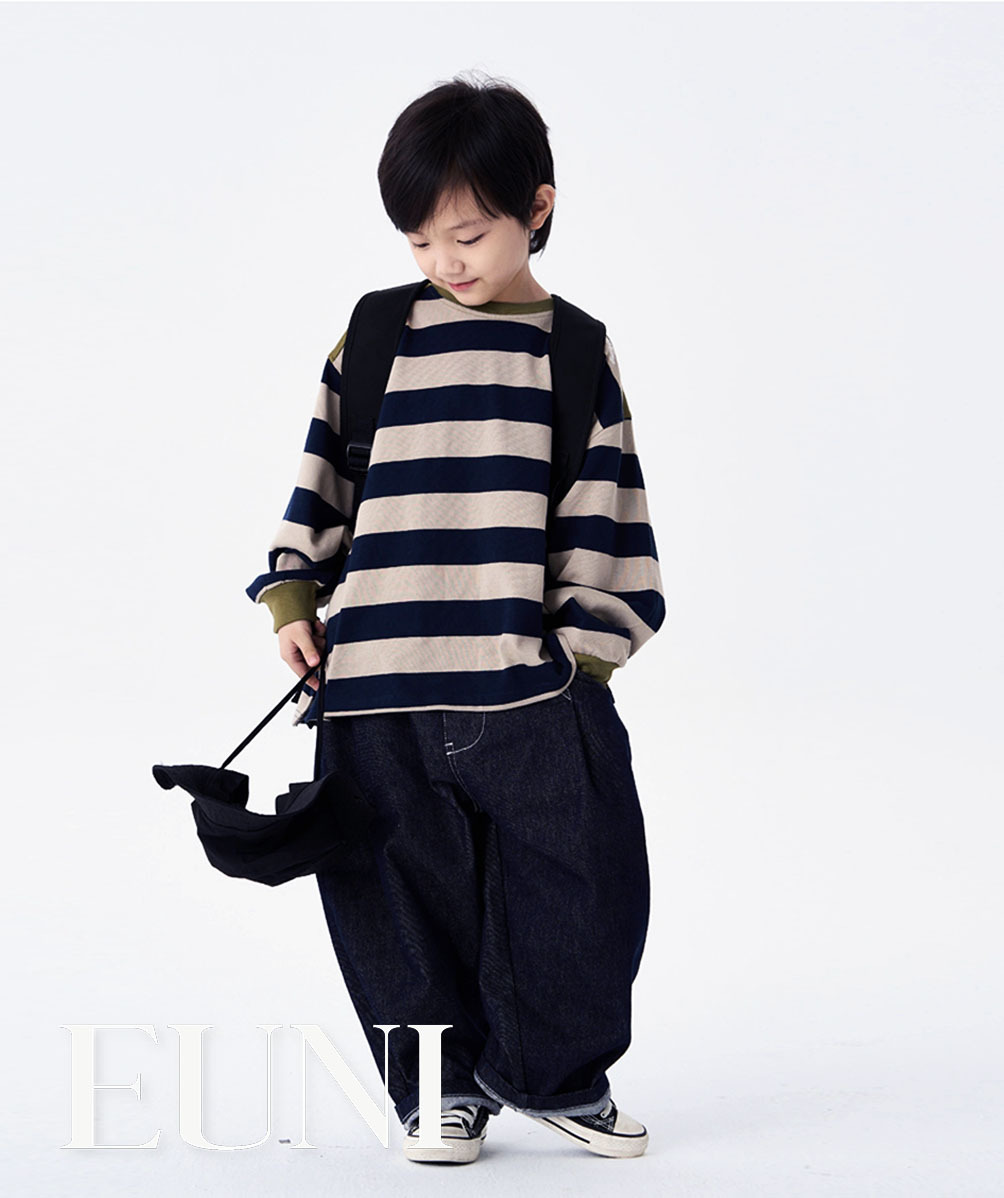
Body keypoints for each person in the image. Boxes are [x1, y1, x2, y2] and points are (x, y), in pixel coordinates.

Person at [245, 72, 666, 1165]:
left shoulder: (572, 350)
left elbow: (604, 506)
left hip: (527, 686)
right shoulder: (377, 333)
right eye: (420, 239)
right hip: (376, 682)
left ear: (538, 206)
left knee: (579, 886)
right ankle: (438, 1094)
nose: (445, 260)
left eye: (469, 234)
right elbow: (324, 472)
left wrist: (581, 662)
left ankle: (557, 1078)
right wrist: (293, 595)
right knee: (393, 893)